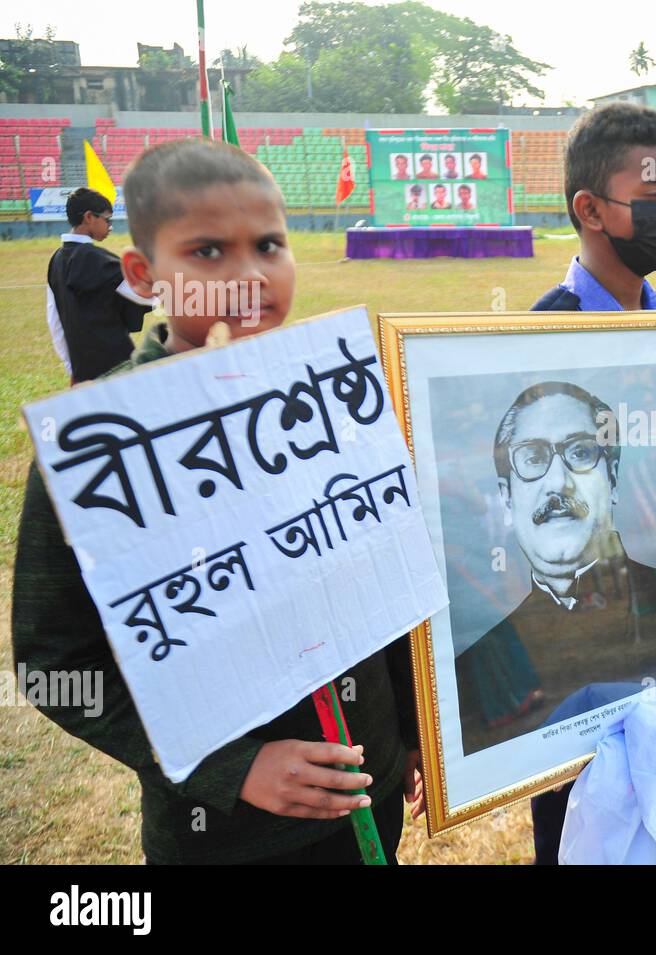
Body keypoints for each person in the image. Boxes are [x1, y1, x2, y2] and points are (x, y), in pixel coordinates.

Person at [11, 138, 421, 865]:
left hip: (371, 792)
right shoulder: (98, 447)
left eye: (269, 244)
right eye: (208, 251)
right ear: (142, 273)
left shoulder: (336, 403)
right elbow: (54, 663)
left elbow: (386, 585)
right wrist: (232, 769)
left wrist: (410, 732)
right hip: (228, 837)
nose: (250, 275)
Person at [525, 101, 656, 864]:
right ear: (590, 208)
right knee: (577, 819)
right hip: (574, 650)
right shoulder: (537, 335)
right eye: (653, 197)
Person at [455, 380, 656, 755]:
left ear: (612, 479)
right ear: (505, 497)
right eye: (532, 458)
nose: (558, 484)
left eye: (580, 453)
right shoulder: (475, 643)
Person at [46, 187, 154, 384]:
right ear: (89, 217)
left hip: (83, 371)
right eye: (107, 220)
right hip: (116, 366)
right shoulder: (98, 260)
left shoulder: (56, 260)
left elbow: (55, 322)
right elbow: (146, 294)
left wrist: (73, 368)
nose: (110, 227)